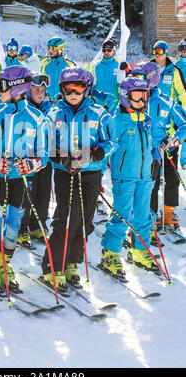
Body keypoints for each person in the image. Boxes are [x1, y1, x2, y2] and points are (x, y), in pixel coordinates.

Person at [41, 67, 117, 291]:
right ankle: (52, 267)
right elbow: (45, 144)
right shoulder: (54, 114)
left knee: (85, 220)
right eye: (68, 89)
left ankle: (73, 262)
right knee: (65, 218)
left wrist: (96, 154)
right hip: (66, 173)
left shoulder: (99, 113)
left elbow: (112, 142)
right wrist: (61, 158)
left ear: (87, 88)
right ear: (61, 90)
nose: (73, 93)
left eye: (78, 88)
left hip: (90, 173)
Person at [0, 66, 48, 294]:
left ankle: (3, 264)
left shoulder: (37, 118)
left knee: (15, 223)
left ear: (18, 88)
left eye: (3, 86)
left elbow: (45, 151)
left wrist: (34, 163)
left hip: (22, 179)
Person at [100, 77, 160, 279]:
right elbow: (108, 148)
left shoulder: (144, 119)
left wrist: (155, 155)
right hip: (124, 177)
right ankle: (110, 253)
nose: (141, 101)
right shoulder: (117, 121)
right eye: (136, 96)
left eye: (144, 96)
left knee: (143, 216)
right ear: (126, 97)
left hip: (144, 176)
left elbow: (149, 146)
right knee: (122, 215)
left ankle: (139, 250)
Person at [131, 61, 186, 237]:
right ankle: (149, 216)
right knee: (148, 185)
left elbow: (183, 124)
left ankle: (168, 211)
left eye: (141, 78)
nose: (138, 82)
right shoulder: (133, 99)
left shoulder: (166, 101)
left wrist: (175, 139)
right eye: (136, 78)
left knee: (170, 178)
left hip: (164, 146)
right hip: (141, 149)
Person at [151, 40, 186, 228]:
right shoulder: (148, 68)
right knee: (153, 176)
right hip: (153, 132)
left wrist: (182, 118)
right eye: (155, 51)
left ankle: (169, 210)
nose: (157, 54)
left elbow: (183, 94)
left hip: (170, 128)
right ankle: (153, 211)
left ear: (166, 53)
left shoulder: (174, 71)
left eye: (160, 51)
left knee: (171, 173)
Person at [17, 73, 52, 248]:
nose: (40, 93)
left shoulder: (49, 108)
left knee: (43, 192)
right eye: (36, 90)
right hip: (27, 157)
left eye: (43, 90)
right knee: (27, 194)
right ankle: (21, 229)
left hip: (45, 157)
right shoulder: (24, 108)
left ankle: (37, 224)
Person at [89, 38, 119, 109]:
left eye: (109, 50)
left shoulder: (119, 65)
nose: (106, 52)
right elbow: (91, 84)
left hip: (114, 104)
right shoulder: (96, 66)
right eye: (104, 50)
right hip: (98, 104)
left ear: (114, 51)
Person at [174, 38, 186, 169]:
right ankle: (172, 154)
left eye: (185, 49)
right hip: (178, 103)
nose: (183, 52)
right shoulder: (175, 66)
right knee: (175, 131)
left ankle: (184, 160)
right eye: (181, 49)